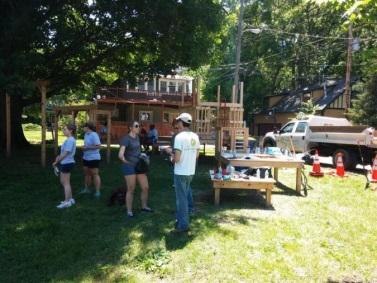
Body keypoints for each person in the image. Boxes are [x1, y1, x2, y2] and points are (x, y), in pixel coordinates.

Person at [118, 121, 153, 217]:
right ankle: (129, 211)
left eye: (139, 126)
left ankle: (144, 206)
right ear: (130, 128)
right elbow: (120, 155)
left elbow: (137, 151)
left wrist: (142, 155)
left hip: (139, 165)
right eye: (136, 126)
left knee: (145, 187)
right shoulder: (126, 139)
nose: (139, 127)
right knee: (131, 189)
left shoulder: (137, 137)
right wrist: (127, 162)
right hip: (129, 166)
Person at [173, 113, 200, 232]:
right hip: (190, 172)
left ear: (181, 123)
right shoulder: (195, 136)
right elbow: (197, 154)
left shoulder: (179, 137)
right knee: (183, 198)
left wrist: (171, 157)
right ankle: (180, 219)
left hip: (180, 172)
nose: (177, 123)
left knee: (182, 199)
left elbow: (177, 159)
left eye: (178, 121)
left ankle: (183, 225)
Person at [52, 124, 77, 209]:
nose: (63, 130)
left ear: (71, 131)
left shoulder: (70, 140)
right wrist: (58, 157)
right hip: (66, 162)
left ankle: (67, 202)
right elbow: (63, 152)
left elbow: (66, 153)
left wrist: (57, 161)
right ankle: (70, 199)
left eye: (65, 129)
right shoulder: (69, 140)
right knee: (64, 182)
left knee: (65, 183)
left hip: (67, 163)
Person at [79, 122, 102, 198]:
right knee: (87, 174)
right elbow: (87, 145)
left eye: (84, 127)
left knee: (95, 174)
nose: (83, 128)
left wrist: (87, 148)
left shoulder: (94, 134)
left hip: (94, 158)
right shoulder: (86, 134)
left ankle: (97, 191)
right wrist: (84, 147)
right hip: (86, 157)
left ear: (88, 127)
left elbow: (98, 146)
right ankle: (87, 189)